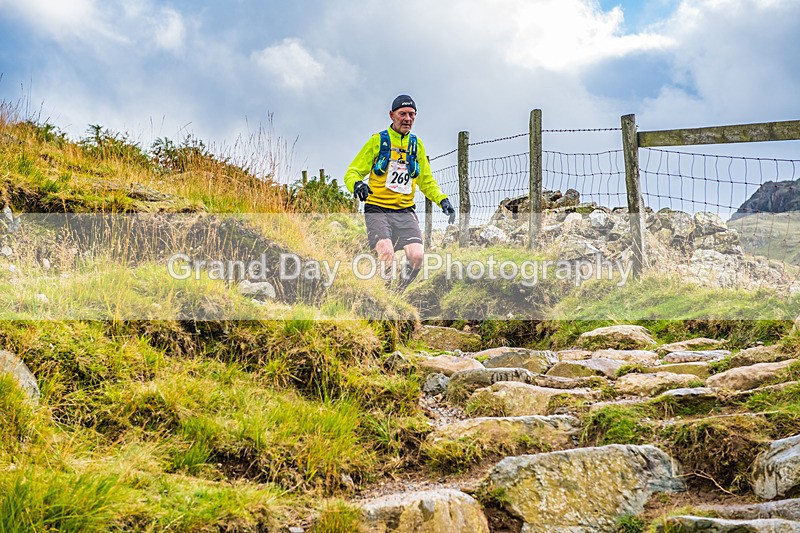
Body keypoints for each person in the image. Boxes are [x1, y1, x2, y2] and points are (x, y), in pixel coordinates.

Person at [344, 94, 456, 290]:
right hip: (377, 208)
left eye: (412, 114)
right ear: (391, 115)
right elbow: (352, 171)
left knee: (417, 256)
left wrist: (442, 200)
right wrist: (357, 185)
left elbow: (426, 180)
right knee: (386, 252)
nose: (407, 119)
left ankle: (397, 293)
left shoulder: (416, 145)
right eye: (402, 113)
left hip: (405, 211)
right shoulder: (377, 141)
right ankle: (384, 294)